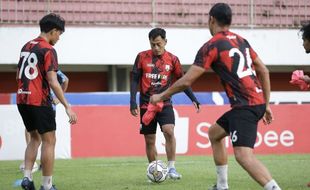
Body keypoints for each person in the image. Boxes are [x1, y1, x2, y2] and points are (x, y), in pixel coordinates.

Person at [150, 3, 281, 190]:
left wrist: (161, 96)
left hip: (245, 106)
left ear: (211, 19)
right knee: (214, 133)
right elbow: (264, 71)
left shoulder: (212, 46)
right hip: (255, 102)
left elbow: (187, 81)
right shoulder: (241, 41)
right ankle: (222, 186)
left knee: (244, 156)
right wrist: (266, 104)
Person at [16, 13, 77, 190]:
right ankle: (47, 185)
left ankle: (27, 178)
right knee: (49, 141)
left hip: (22, 98)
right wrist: (67, 106)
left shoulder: (26, 46)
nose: (58, 38)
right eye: (59, 34)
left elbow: (18, 74)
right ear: (53, 31)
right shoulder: (48, 50)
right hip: (39, 101)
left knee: (34, 139)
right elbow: (53, 81)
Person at [130, 28, 200, 180]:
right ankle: (155, 171)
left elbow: (183, 81)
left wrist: (193, 98)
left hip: (165, 102)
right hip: (145, 105)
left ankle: (172, 168)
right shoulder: (141, 57)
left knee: (169, 131)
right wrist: (132, 101)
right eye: (152, 44)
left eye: (158, 44)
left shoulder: (173, 59)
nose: (155, 48)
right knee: (149, 139)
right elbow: (135, 79)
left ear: (165, 42)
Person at [19, 70, 69, 173]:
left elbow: (65, 80)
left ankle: (35, 166)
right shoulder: (44, 66)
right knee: (44, 137)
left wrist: (58, 99)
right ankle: (37, 168)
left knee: (39, 136)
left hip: (42, 104)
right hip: (40, 104)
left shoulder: (49, 68)